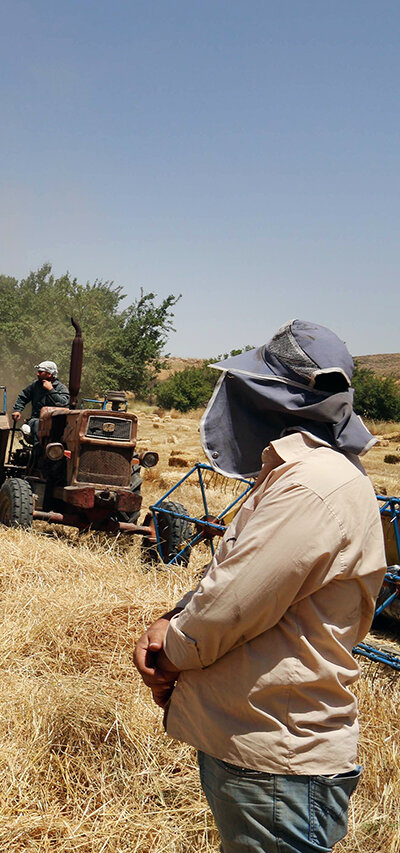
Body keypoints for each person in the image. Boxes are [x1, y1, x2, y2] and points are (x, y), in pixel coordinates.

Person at [133, 320, 385, 852]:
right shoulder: (307, 476)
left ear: (272, 399)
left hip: (278, 762)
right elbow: (236, 575)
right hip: (262, 750)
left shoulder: (312, 485)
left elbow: (230, 606)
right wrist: (171, 620)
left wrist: (168, 653)